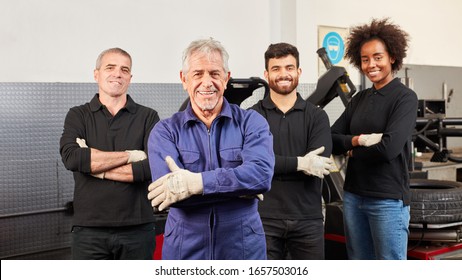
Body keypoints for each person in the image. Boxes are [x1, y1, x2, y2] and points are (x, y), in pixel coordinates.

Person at [147, 38, 274, 260]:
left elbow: (261, 176)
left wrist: (197, 184)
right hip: (185, 249)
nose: (207, 82)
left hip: (242, 247)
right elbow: (170, 194)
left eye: (215, 74)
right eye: (198, 74)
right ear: (183, 79)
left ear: (226, 78)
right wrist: (241, 187)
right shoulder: (165, 131)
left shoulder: (252, 122)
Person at [59, 48, 159, 259]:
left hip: (138, 229)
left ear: (130, 78)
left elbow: (151, 167)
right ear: (96, 74)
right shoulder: (78, 115)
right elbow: (73, 158)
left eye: (124, 69)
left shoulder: (148, 116)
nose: (117, 74)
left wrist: (95, 167)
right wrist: (132, 155)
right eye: (110, 67)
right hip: (88, 231)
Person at [330, 18, 418, 260]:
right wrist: (357, 141)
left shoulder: (405, 98)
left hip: (387, 201)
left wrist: (350, 151)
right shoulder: (359, 99)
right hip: (353, 196)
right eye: (365, 59)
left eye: (377, 57)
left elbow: (388, 149)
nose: (371, 65)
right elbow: (332, 137)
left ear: (392, 57)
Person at [250, 43, 334, 260]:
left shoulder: (317, 117)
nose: (283, 74)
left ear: (298, 72)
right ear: (267, 74)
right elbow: (254, 164)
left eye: (289, 67)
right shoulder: (252, 117)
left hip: (308, 220)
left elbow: (320, 164)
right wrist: (301, 164)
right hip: (262, 218)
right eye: (276, 69)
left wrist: (273, 164)